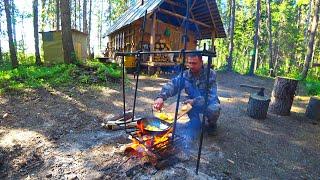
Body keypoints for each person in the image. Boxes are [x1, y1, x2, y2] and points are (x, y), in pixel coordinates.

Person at [153, 53, 220, 136]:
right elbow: (173, 84)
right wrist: (161, 97)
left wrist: (194, 101)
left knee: (214, 108)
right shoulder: (186, 74)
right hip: (191, 101)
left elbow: (211, 96)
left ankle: (212, 125)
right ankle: (195, 122)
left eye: (194, 63)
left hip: (207, 101)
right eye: (190, 63)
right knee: (185, 104)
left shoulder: (210, 74)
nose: (191, 66)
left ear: (201, 62)